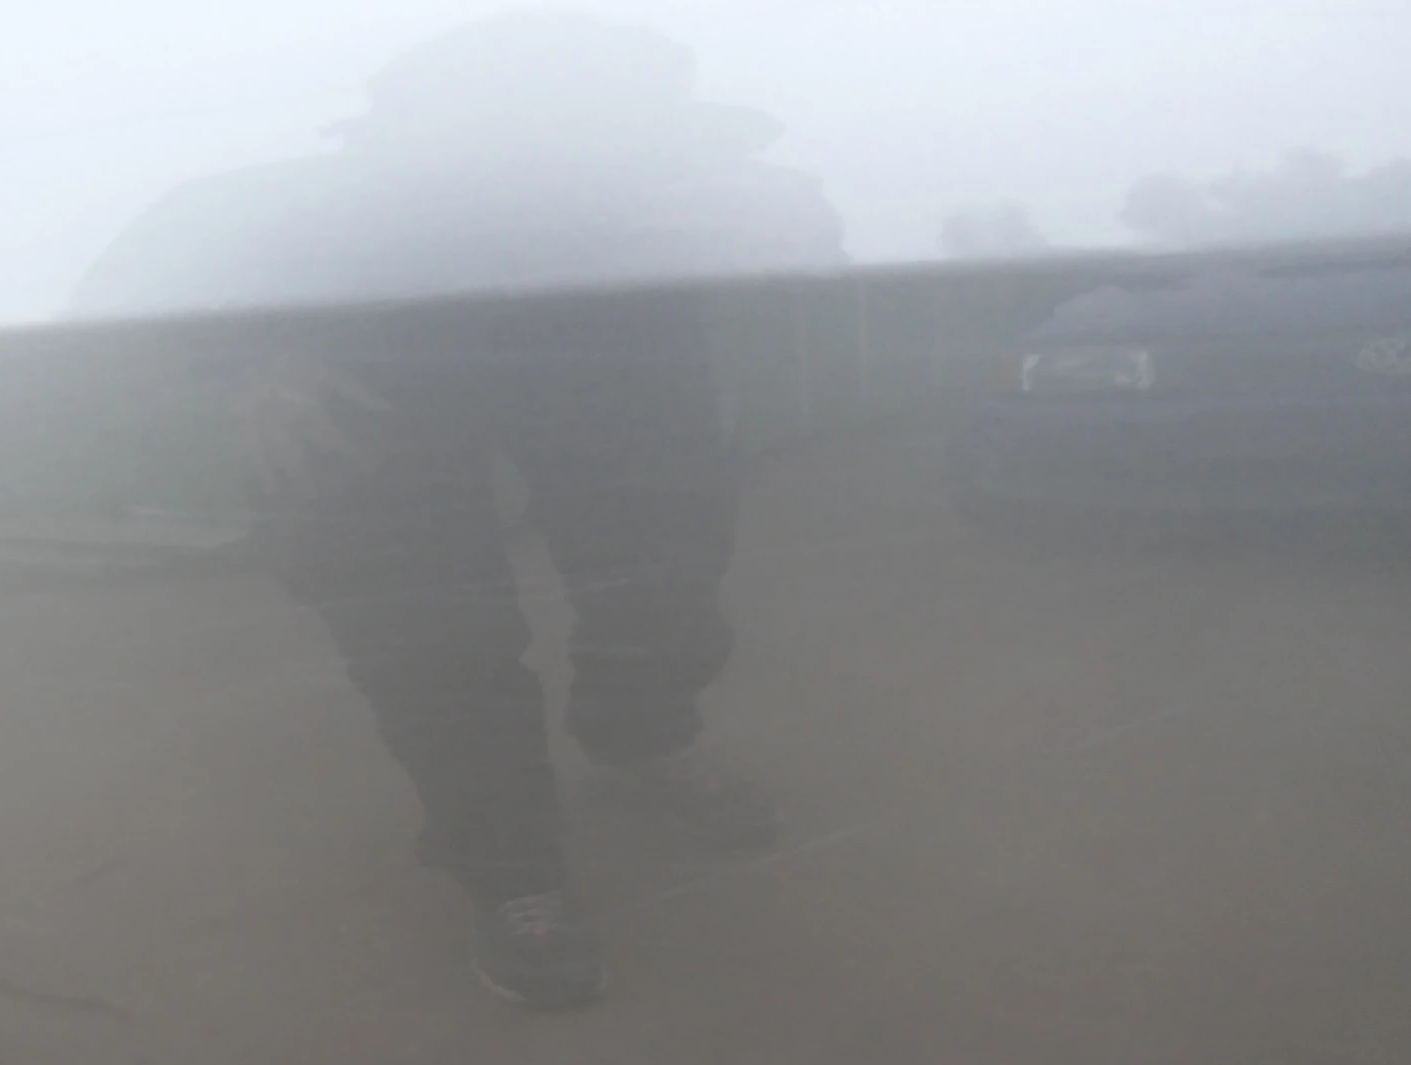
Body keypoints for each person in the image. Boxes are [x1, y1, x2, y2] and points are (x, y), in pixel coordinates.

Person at [73, 13, 845, 1007]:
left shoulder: (667, 159)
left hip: (608, 340)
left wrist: (789, 223)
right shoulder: (289, 192)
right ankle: (510, 866)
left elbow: (807, 234)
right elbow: (126, 283)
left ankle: (640, 731)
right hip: (360, 361)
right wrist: (243, 360)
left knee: (664, 573)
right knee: (426, 631)